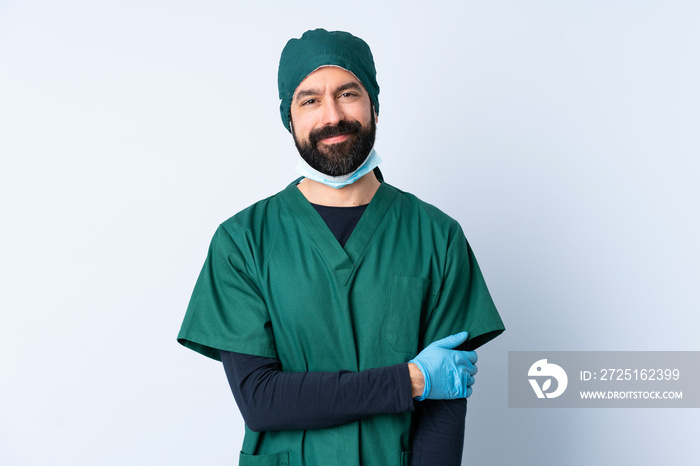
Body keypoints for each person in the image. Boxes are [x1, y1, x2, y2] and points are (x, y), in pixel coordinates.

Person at [178, 28, 505, 465]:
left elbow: (443, 411)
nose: (331, 115)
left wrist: (425, 385)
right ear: (289, 118)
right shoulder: (243, 241)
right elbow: (261, 400)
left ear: (373, 104)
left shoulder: (436, 236)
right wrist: (409, 380)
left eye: (347, 93)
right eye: (309, 100)